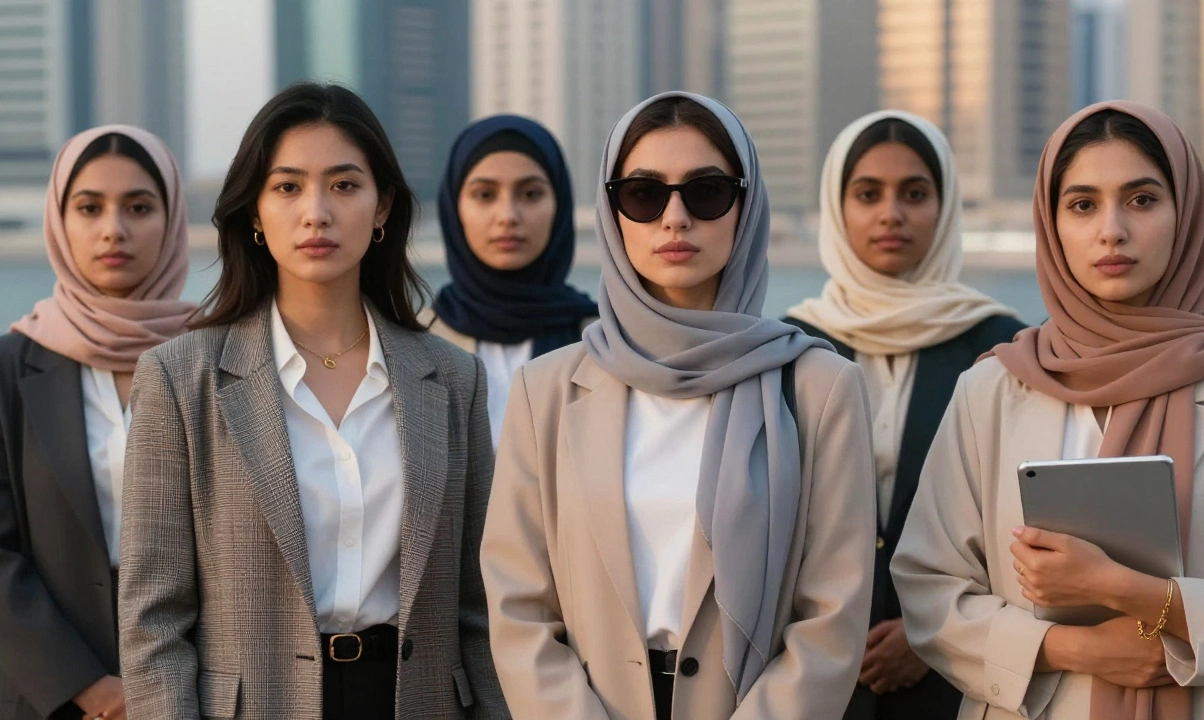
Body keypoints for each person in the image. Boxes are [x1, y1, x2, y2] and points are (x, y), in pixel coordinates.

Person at [480, 92, 879, 720]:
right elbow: (518, 607)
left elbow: (832, 615)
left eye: (706, 191)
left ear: (746, 207)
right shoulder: (546, 391)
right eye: (643, 194)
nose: (674, 218)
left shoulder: (820, 388)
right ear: (611, 213)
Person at [118, 83, 508, 720]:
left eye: (345, 185)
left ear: (382, 207)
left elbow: (480, 607)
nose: (316, 212)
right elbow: (153, 625)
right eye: (288, 187)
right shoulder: (179, 378)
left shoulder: (453, 378)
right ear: (253, 211)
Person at [891, 101, 1204, 719]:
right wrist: (1075, 649)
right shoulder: (993, 389)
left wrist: (1131, 593)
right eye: (1082, 205)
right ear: (1051, 224)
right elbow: (929, 591)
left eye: (1142, 200)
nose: (1111, 231)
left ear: (1186, 216)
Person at [785, 110, 1024, 719]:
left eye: (915, 194)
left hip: (958, 679)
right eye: (868, 194)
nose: (891, 213)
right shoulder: (785, 347)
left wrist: (929, 636)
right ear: (837, 208)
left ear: (944, 210)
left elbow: (1021, 518)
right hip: (805, 671)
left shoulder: (1003, 348)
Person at [0, 125, 195, 720]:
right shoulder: (10, 367)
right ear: (60, 222)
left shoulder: (217, 359)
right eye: (90, 208)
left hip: (198, 691)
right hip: (49, 697)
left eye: (139, 206)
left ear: (172, 220)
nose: (115, 229)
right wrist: (89, 688)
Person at [427, 115, 596, 447]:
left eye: (531, 194)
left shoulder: (601, 342)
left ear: (559, 205)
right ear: (454, 206)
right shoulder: (411, 342)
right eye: (485, 195)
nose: (508, 216)